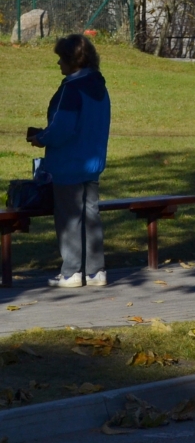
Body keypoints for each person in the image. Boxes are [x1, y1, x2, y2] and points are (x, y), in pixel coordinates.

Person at [27, 35, 111, 288]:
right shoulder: (98, 86)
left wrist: (41, 138)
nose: (58, 64)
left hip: (69, 163)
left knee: (69, 218)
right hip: (92, 162)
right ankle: (96, 271)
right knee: (91, 215)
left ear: (72, 60)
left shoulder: (71, 89)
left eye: (61, 59)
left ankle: (72, 272)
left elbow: (62, 129)